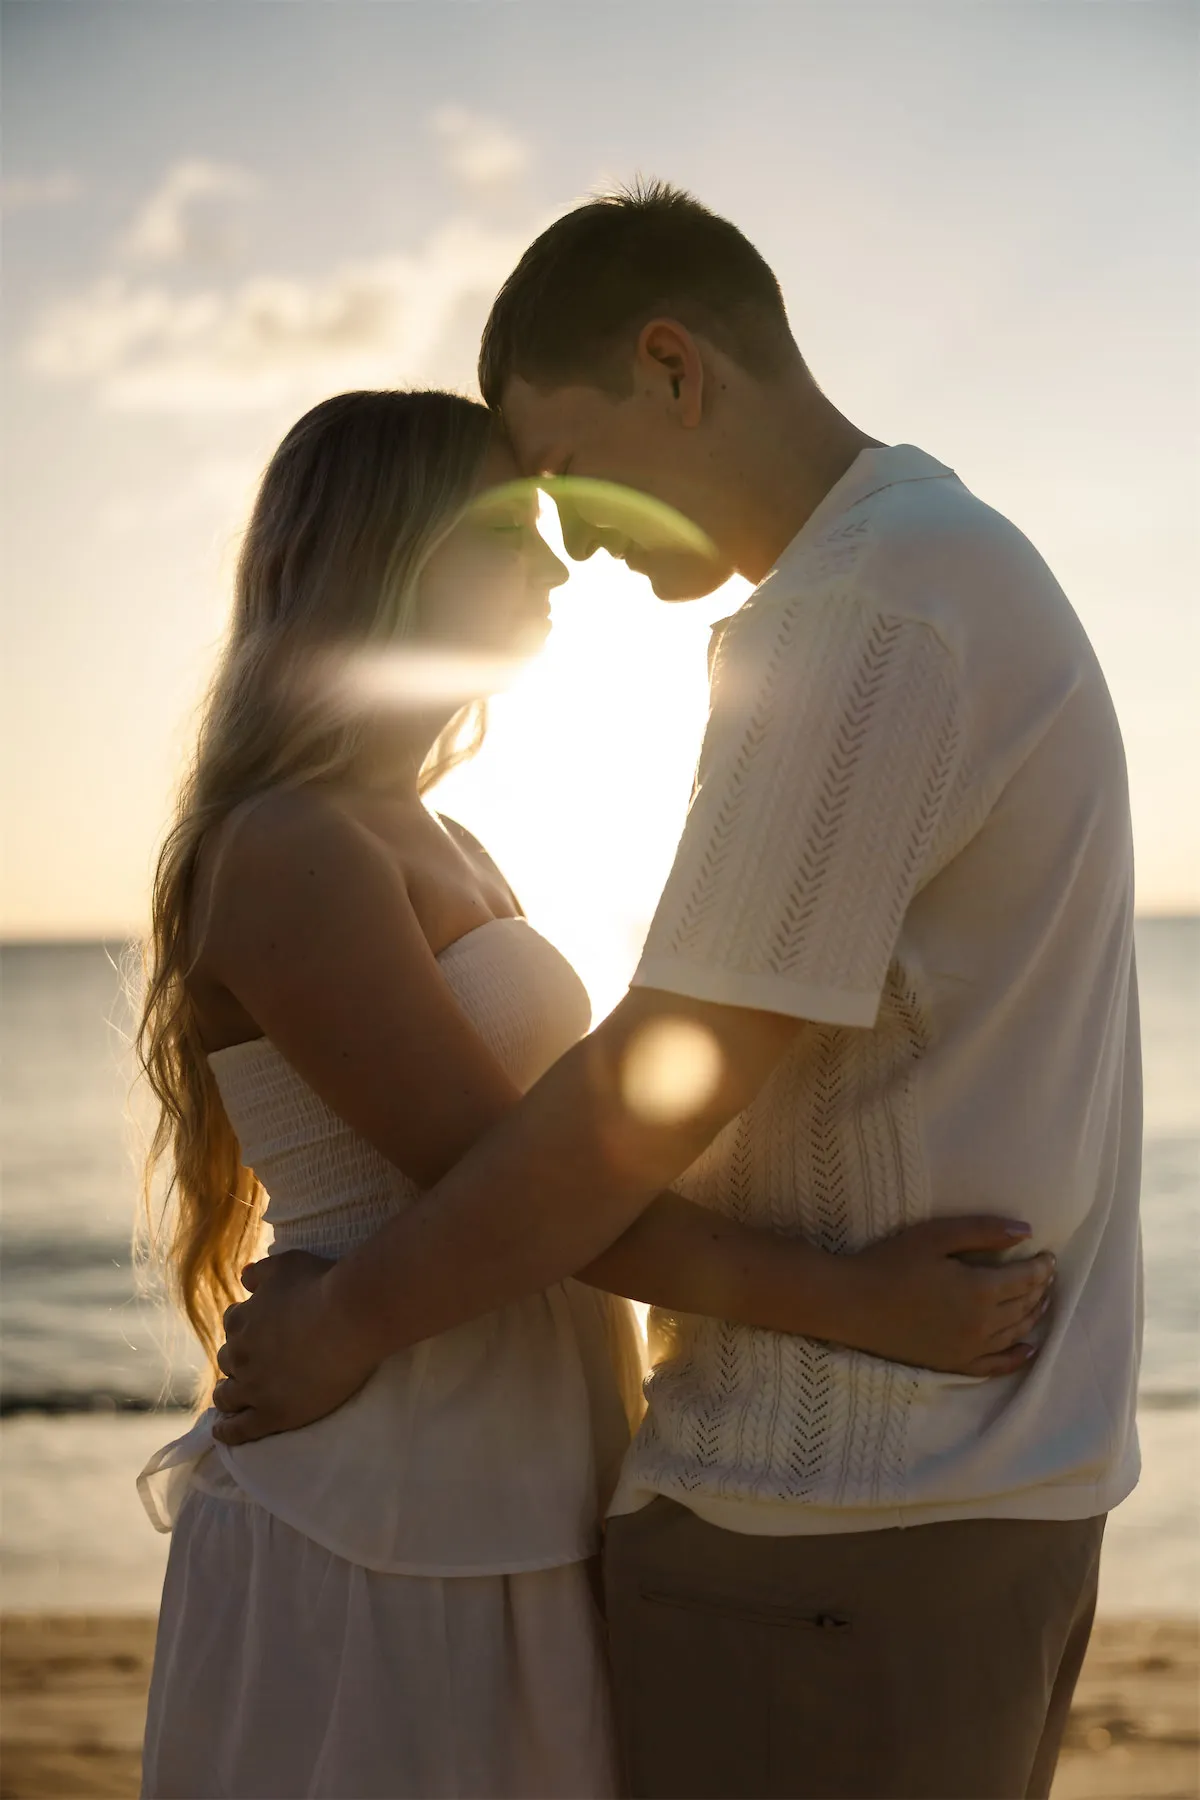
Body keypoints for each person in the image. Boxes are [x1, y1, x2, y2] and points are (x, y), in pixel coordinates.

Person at [214, 186, 1143, 1800]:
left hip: (848, 1509)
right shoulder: (912, 580)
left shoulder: (867, 610)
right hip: (850, 1498)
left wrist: (353, 1316)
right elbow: (608, 1102)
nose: (569, 546)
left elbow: (658, 1077)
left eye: (561, 478)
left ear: (673, 367)